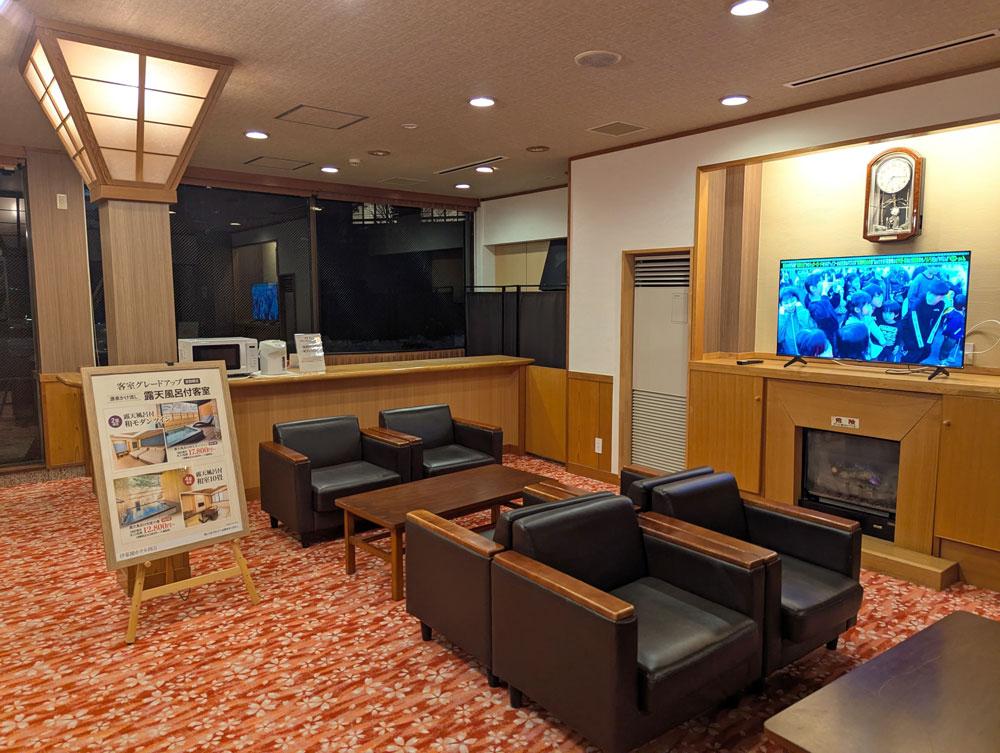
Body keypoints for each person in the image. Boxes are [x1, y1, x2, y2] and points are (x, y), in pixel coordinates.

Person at [898, 279, 949, 364]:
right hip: (909, 329)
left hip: (924, 327)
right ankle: (903, 363)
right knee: (915, 352)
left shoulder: (941, 304)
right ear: (931, 294)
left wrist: (929, 342)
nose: (942, 299)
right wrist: (921, 344)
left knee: (926, 352)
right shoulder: (917, 305)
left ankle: (913, 361)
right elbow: (915, 326)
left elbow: (935, 325)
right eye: (941, 297)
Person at [803, 273, 839, 348]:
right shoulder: (811, 304)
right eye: (821, 282)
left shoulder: (822, 298)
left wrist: (835, 292)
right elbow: (824, 315)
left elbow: (833, 305)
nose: (824, 284)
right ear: (813, 288)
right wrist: (824, 293)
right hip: (825, 338)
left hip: (833, 332)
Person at [777, 286, 813, 355]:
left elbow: (808, 329)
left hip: (806, 353)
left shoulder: (803, 312)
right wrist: (781, 317)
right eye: (786, 303)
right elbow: (779, 338)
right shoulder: (780, 317)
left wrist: (800, 311)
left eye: (792, 301)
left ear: (797, 300)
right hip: (789, 354)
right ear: (781, 304)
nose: (790, 305)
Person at [939, 293, 967, 365]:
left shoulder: (954, 312)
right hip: (951, 336)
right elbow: (949, 328)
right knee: (946, 348)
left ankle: (946, 356)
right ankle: (942, 359)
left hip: (954, 335)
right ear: (963, 308)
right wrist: (946, 334)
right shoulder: (957, 317)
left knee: (949, 347)